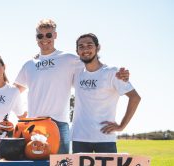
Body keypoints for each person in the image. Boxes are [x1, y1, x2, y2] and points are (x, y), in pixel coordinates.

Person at [14, 18, 129, 154]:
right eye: (40, 35)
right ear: (36, 38)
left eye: (49, 35)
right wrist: (19, 113)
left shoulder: (69, 59)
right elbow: (13, 92)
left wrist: (120, 74)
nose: (45, 39)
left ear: (55, 35)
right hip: (34, 124)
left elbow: (94, 67)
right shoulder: (29, 64)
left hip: (59, 124)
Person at [71, 33, 141, 153]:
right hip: (79, 138)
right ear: (77, 51)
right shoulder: (76, 73)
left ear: (97, 48)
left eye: (89, 45)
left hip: (104, 138)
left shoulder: (112, 72)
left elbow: (135, 98)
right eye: (81, 46)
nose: (85, 49)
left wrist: (121, 126)